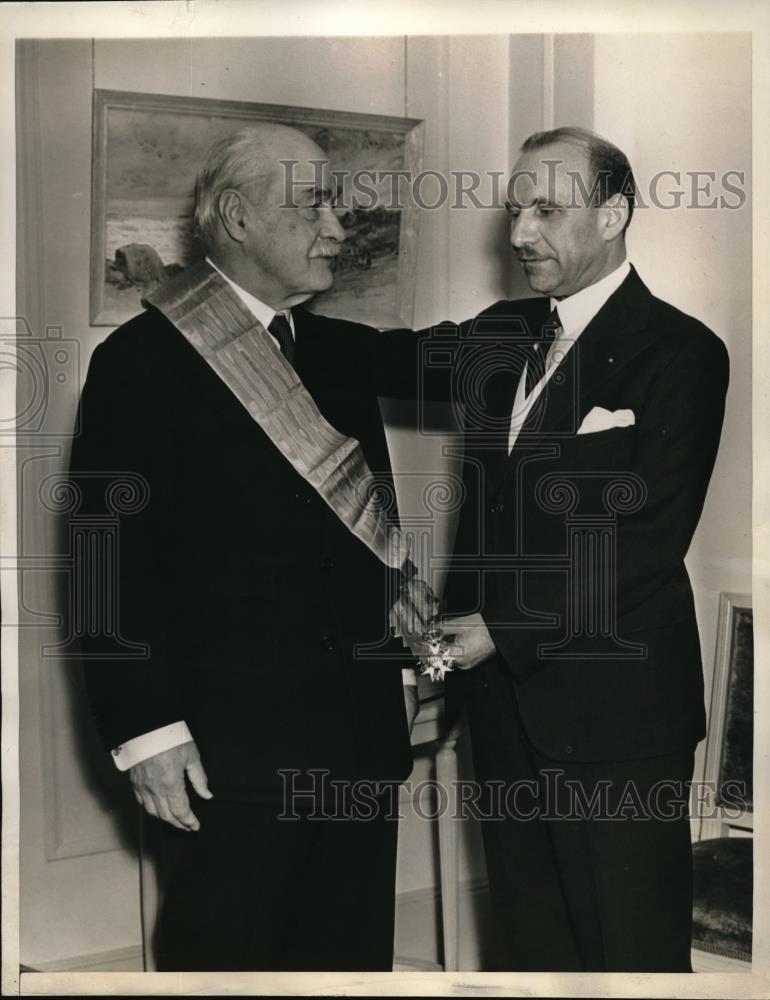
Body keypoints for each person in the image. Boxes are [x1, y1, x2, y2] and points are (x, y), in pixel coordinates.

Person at [69, 124, 421, 972]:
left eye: (336, 203)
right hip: (230, 758)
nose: (338, 227)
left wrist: (403, 668)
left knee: (351, 967)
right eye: (313, 205)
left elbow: (364, 532)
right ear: (235, 216)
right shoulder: (140, 362)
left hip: (357, 746)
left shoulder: (336, 354)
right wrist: (147, 734)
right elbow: (107, 568)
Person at [404, 126, 730, 971]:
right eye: (517, 210)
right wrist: (239, 310)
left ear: (614, 213)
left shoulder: (683, 352)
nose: (519, 234)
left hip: (617, 720)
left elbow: (647, 543)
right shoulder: (503, 331)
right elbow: (379, 363)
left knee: (630, 958)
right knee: (531, 953)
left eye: (547, 210)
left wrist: (499, 628)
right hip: (504, 710)